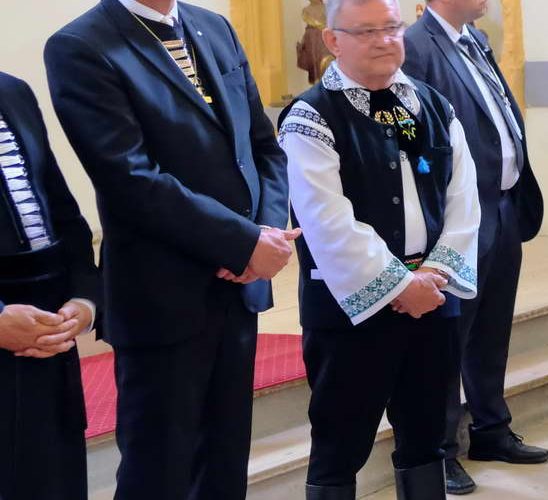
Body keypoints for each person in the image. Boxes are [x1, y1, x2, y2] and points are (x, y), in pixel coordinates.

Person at [44, 0, 293, 497]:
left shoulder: (213, 26)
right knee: (159, 473)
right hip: (161, 296)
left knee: (225, 464)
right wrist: (241, 243)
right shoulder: (81, 45)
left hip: (237, 290)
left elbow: (263, 147)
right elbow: (130, 178)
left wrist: (263, 234)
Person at [280, 0, 481, 497]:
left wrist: (434, 275)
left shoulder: (432, 104)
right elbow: (326, 220)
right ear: (332, 40)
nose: (384, 40)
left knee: (427, 439)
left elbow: (462, 198)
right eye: (366, 31)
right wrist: (398, 285)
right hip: (351, 309)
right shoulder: (311, 116)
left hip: (432, 299)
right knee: (340, 443)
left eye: (391, 28)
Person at [401, 0, 548, 494]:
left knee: (491, 327)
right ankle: (440, 449)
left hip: (502, 206)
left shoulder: (476, 40)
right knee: (448, 338)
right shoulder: (416, 47)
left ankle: (491, 428)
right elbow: (414, 140)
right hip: (459, 217)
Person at [0, 71, 99, 500]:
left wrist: (84, 297)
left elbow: (60, 209)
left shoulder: (12, 91)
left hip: (50, 321)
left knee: (56, 478)